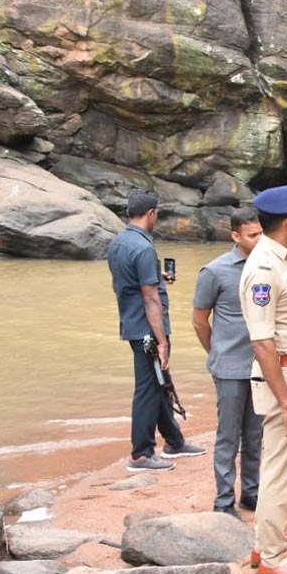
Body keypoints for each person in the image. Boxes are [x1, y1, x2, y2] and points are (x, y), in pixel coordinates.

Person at [239, 184, 287, 574]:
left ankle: (266, 545)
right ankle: (271, 557)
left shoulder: (285, 259)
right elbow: (262, 341)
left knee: (282, 467)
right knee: (280, 472)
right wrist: (286, 402)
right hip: (284, 378)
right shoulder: (264, 268)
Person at [107, 189, 205, 472]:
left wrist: (156, 277)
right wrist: (162, 342)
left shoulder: (119, 242)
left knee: (158, 384)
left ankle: (174, 441)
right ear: (151, 213)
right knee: (148, 389)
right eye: (156, 214)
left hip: (131, 323)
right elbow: (150, 299)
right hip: (148, 329)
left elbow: (125, 282)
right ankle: (140, 453)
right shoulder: (144, 247)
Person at [191, 207, 265, 518]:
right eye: (252, 235)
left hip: (261, 366)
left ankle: (251, 493)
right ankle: (223, 500)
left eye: (262, 233)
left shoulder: (267, 267)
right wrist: (217, 351)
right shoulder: (215, 271)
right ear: (235, 236)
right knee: (227, 435)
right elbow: (199, 320)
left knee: (255, 435)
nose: (259, 239)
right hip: (229, 368)